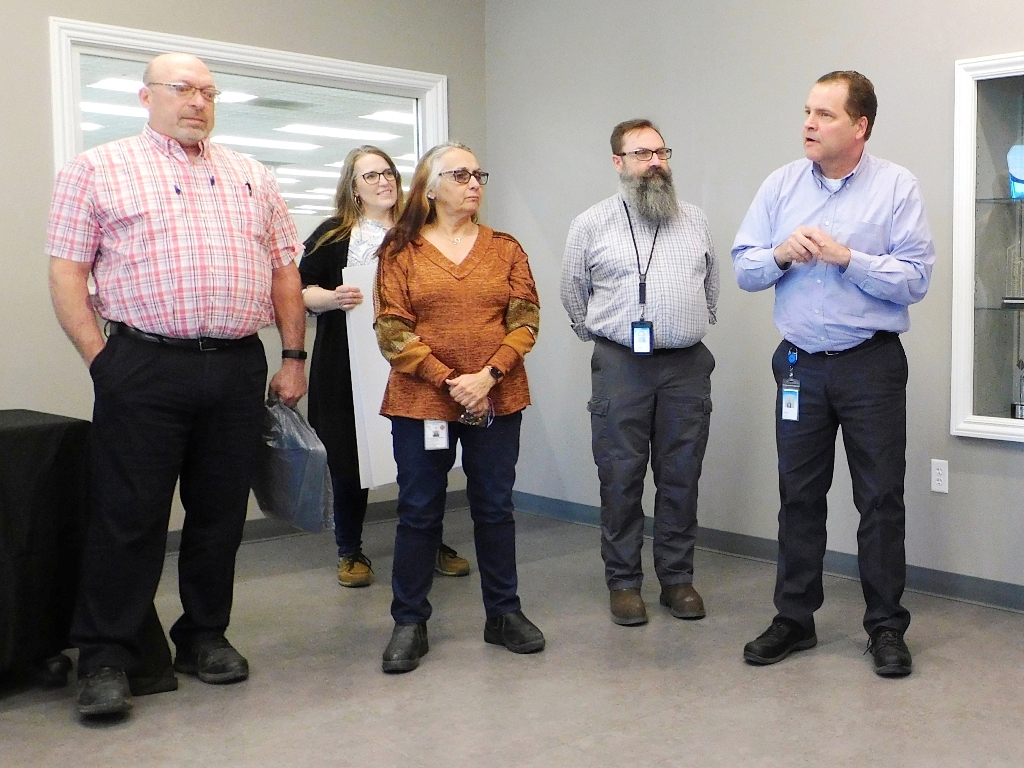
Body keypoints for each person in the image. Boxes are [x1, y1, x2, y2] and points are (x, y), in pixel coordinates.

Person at [46, 53, 307, 718]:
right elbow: (68, 272)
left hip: (237, 364)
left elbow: (284, 271)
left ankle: (204, 636)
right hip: (143, 363)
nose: (198, 101)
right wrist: (101, 359)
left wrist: (293, 355)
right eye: (183, 89)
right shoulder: (96, 169)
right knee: (127, 515)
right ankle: (106, 656)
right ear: (146, 97)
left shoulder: (251, 174)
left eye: (209, 92)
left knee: (220, 513)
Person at [732, 71, 935, 677]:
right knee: (798, 495)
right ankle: (794, 619)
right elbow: (744, 268)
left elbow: (916, 279)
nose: (809, 124)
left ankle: (885, 626)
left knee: (879, 498)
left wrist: (849, 258)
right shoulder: (781, 185)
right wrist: (780, 254)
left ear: (860, 126)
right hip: (799, 365)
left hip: (870, 365)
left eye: (825, 115)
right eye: (807, 112)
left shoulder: (896, 187)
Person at [374, 142, 543, 673]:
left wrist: (488, 376)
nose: (474, 184)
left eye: (478, 175)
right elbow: (391, 330)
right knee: (419, 510)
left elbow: (526, 321)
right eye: (461, 175)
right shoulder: (399, 252)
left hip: (497, 396)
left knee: (494, 507)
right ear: (430, 188)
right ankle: (409, 621)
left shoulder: (505, 248)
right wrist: (451, 382)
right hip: (422, 401)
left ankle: (504, 614)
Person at [560, 119, 719, 627]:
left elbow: (711, 284)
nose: (655, 162)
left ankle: (677, 579)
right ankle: (624, 582)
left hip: (685, 366)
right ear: (618, 162)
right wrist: (604, 339)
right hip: (621, 365)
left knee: (681, 475)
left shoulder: (694, 219)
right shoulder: (590, 223)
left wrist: (688, 324)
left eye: (661, 153)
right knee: (620, 476)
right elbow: (572, 290)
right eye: (642, 154)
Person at [299, 146, 471, 588]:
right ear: (353, 188)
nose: (384, 181)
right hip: (346, 367)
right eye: (371, 176)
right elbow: (298, 292)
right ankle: (349, 550)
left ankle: (430, 542)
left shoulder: (423, 232)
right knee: (348, 459)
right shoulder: (332, 236)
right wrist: (332, 297)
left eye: (389, 173)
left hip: (417, 364)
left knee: (427, 456)